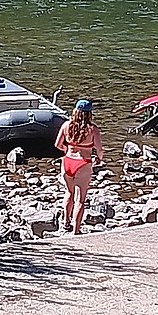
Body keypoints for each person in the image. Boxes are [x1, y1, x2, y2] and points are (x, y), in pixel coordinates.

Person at [54, 99, 104, 235]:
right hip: (83, 163)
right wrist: (99, 159)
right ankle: (76, 231)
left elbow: (58, 145)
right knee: (80, 200)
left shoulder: (66, 125)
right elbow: (99, 150)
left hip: (68, 162)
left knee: (69, 193)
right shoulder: (93, 129)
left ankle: (66, 222)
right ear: (90, 113)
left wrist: (67, 150)